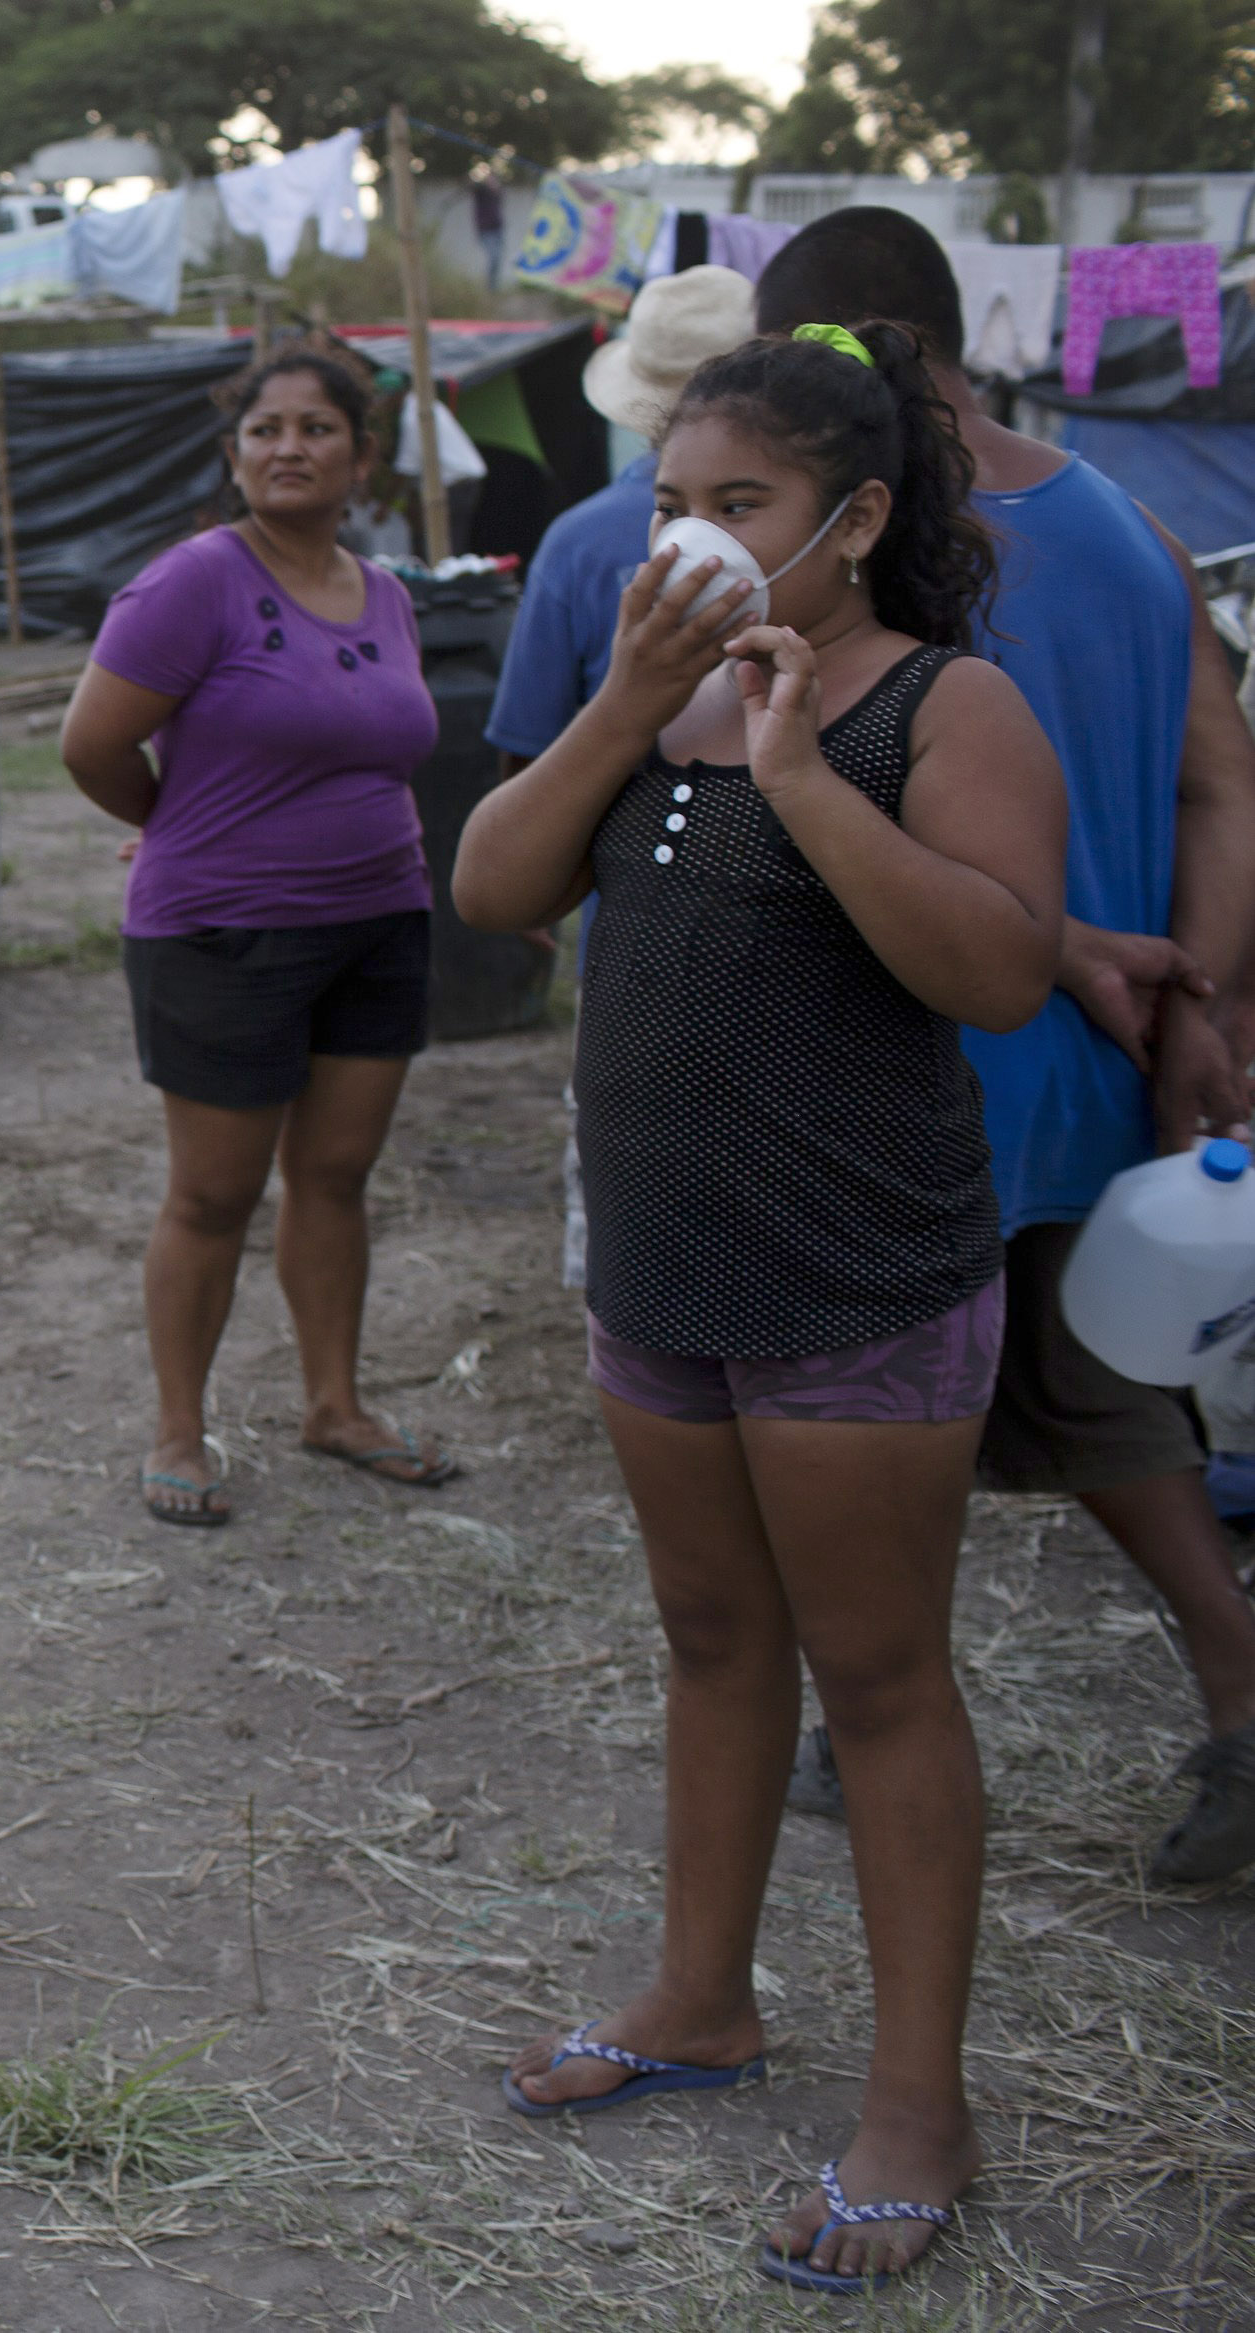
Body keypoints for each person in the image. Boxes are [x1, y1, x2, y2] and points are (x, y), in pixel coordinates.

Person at [454, 320, 1068, 2295]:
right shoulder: (655, 698)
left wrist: (800, 771)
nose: (694, 537)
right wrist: (624, 700)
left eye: (742, 506)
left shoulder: (936, 705)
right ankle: (699, 1994)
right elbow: (487, 888)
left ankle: (915, 2100)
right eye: (668, 506)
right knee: (712, 1635)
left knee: (878, 1679)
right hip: (662, 1270)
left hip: (855, 1280)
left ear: (857, 519)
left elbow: (994, 967)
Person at [752, 210, 1255, 1886]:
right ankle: (1237, 1698)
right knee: (1093, 1397)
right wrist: (1195, 999)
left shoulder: (887, 552)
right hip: (1099, 1067)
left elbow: (884, 821)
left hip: (925, 1052)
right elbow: (1220, 788)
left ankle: (868, 1711)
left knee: (886, 1403)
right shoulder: (1135, 528)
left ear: (844, 349)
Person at [55, 340, 458, 1528]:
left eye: (315, 427)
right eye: (265, 429)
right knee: (212, 1193)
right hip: (222, 932)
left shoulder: (384, 593)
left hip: (379, 919)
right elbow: (88, 743)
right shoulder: (194, 581)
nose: (289, 447)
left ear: (360, 455)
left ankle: (333, 1404)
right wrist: (174, 825)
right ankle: (179, 1426)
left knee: (334, 1174)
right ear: (234, 456)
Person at [488, 265, 760, 1291]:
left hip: (633, 934)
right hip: (809, 938)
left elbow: (522, 752)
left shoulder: (577, 542)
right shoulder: (839, 542)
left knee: (645, 1232)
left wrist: (539, 893)